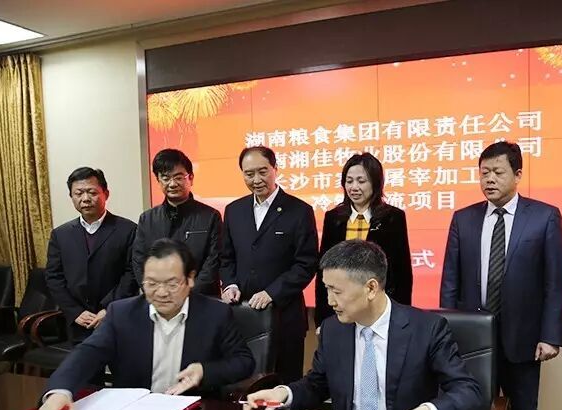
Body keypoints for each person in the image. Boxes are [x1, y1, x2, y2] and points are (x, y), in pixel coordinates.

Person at [243, 240, 485, 410]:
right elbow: (317, 384)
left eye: (337, 291)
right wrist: (283, 393)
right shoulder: (333, 330)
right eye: (327, 289)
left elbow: (468, 391)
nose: (330, 301)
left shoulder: (426, 328)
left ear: (371, 288)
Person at [32, 239, 255, 410]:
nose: (161, 293)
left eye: (172, 284)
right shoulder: (121, 313)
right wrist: (59, 392)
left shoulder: (215, 314)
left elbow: (243, 361)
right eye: (152, 283)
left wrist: (204, 371)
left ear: (190, 279)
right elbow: (87, 354)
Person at [440, 141, 562, 410]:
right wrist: (450, 330)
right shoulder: (463, 218)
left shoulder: (544, 217)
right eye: (484, 173)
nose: (489, 179)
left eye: (498, 172)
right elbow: (450, 281)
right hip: (473, 338)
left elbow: (556, 282)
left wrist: (550, 336)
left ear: (517, 174)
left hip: (523, 337)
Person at [220, 146, 318, 383]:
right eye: (249, 174)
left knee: (285, 385)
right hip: (242, 317)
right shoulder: (234, 211)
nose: (256, 179)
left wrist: (272, 292)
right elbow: (226, 257)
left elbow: (306, 263)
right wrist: (230, 284)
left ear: (275, 169)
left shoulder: (299, 211)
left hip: (285, 318)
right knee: (244, 387)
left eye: (262, 171)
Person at [315, 152, 412, 332]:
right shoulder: (334, 218)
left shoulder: (393, 217)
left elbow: (402, 272)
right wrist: (321, 319)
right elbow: (323, 270)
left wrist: (402, 318)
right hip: (340, 309)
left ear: (375, 183)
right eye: (349, 181)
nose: (354, 187)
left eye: (361, 181)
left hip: (377, 309)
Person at [45, 167, 137, 342]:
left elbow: (132, 273)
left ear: (106, 194)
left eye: (92, 192)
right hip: (78, 323)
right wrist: (75, 312)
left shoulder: (128, 229)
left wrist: (108, 308)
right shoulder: (60, 234)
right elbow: (54, 277)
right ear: (71, 196)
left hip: (117, 317)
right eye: (78, 193)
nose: (85, 199)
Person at [133, 149, 222, 296]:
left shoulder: (211, 216)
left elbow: (213, 262)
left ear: (191, 178)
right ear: (158, 180)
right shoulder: (147, 219)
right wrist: (156, 291)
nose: (172, 184)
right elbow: (139, 261)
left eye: (178, 177)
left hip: (201, 299)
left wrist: (186, 295)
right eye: (166, 178)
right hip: (159, 299)